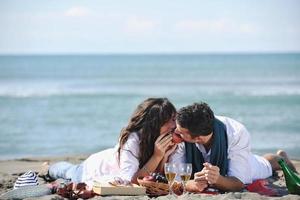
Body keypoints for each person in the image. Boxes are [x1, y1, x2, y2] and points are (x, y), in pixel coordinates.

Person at [41, 97, 178, 187]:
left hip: (108, 162)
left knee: (69, 171)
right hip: (93, 169)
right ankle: (48, 169)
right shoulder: (133, 140)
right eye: (170, 120)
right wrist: (157, 156)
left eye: (174, 119)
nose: (175, 125)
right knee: (68, 171)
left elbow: (157, 176)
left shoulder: (167, 140)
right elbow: (132, 181)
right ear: (155, 123)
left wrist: (164, 156)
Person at [169, 102, 297, 192]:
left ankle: (282, 158)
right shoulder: (181, 136)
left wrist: (217, 179)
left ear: (198, 138)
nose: (174, 131)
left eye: (180, 131)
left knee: (265, 164)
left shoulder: (236, 133)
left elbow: (238, 183)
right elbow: (174, 180)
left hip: (241, 163)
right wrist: (192, 184)